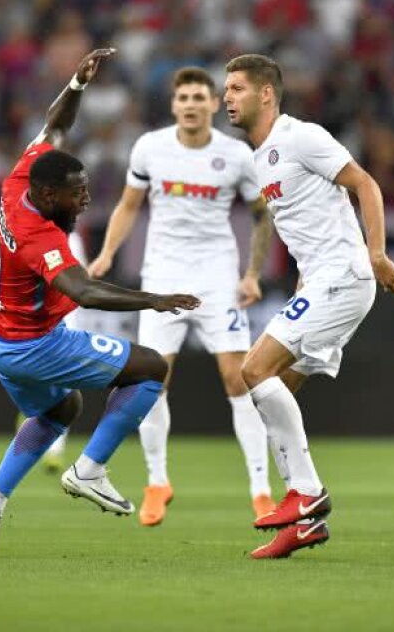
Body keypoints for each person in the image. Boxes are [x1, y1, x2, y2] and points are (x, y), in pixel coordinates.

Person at [0, 48, 200, 556]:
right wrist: (153, 300)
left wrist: (75, 85)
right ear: (49, 198)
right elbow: (85, 290)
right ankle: (89, 470)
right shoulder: (39, 236)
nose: (86, 199)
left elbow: (54, 128)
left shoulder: (20, 180)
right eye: (78, 193)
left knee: (60, 408)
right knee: (151, 368)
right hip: (30, 342)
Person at [222, 54, 394, 559]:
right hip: (321, 281)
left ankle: (307, 492)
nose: (228, 98)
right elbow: (312, 224)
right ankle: (304, 524)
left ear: (267, 94)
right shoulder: (260, 155)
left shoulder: (301, 137)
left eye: (237, 88)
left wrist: (376, 254)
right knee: (275, 392)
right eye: (227, 89)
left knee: (253, 370)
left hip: (345, 276)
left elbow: (365, 185)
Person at [86, 66, 276, 526]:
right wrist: (107, 253)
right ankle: (157, 481)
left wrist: (252, 274)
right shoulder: (151, 148)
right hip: (163, 276)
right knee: (152, 379)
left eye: (199, 97)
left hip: (216, 275)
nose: (191, 104)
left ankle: (262, 490)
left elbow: (262, 215)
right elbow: (128, 205)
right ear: (174, 105)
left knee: (238, 377)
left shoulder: (236, 154)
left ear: (214, 104)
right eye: (183, 97)